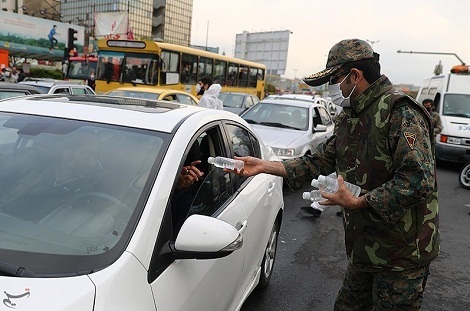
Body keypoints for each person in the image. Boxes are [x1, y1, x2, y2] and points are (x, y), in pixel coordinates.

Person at [230, 39, 439, 311]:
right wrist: (265, 166)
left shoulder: (400, 112)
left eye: (335, 79)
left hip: (402, 255)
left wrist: (359, 202)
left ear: (355, 76)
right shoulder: (349, 116)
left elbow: (418, 180)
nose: (333, 88)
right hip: (364, 248)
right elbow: (318, 160)